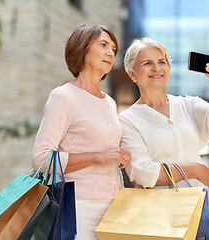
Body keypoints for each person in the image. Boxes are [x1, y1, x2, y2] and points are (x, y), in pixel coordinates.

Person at [32, 24, 131, 240]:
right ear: (82, 49)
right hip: (78, 208)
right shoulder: (63, 96)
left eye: (113, 49)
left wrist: (119, 157)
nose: (110, 53)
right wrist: (98, 157)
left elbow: (104, 150)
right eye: (103, 45)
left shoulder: (110, 103)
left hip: (115, 207)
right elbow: (41, 159)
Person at [119, 37, 209, 189]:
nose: (156, 68)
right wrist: (194, 170)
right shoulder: (127, 121)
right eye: (147, 63)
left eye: (161, 62)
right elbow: (143, 172)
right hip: (161, 208)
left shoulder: (188, 105)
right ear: (133, 75)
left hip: (198, 202)